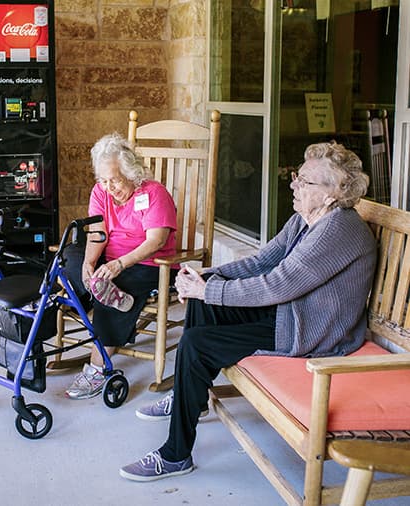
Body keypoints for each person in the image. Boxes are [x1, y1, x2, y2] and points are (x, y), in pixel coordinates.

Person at [121, 141, 377, 481]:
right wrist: (207, 278)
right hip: (289, 313)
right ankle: (191, 398)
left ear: (332, 194)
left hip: (314, 330)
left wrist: (209, 288)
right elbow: (263, 261)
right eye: (296, 177)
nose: (293, 185)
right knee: (202, 301)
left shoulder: (338, 230)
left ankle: (175, 455)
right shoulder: (306, 219)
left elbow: (278, 284)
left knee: (197, 342)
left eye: (304, 181)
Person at [64, 132, 178, 399]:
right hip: (111, 260)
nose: (109, 187)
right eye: (103, 180)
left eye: (114, 179)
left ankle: (97, 368)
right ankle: (105, 293)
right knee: (70, 257)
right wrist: (90, 262)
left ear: (131, 172)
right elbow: (97, 233)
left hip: (149, 263)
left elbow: (156, 241)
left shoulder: (153, 193)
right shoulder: (100, 192)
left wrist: (117, 265)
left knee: (114, 284)